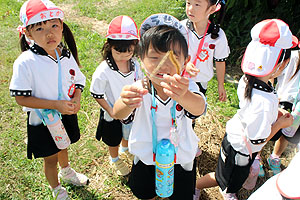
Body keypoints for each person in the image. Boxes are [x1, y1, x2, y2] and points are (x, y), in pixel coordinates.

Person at [193, 19, 298, 200]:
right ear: (280, 65)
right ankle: (195, 187)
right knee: (222, 178)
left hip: (237, 138)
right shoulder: (263, 103)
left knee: (229, 175)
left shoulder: (247, 81)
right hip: (241, 149)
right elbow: (260, 138)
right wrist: (281, 123)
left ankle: (228, 187)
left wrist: (275, 113)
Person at [113, 14, 207, 200]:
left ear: (185, 62)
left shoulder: (187, 87)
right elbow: (117, 113)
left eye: (172, 57)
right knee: (145, 193)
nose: (163, 65)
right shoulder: (138, 88)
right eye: (154, 57)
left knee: (181, 195)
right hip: (146, 156)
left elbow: (199, 108)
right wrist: (125, 101)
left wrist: (184, 96)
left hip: (181, 158)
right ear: (141, 60)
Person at [9, 0, 89, 199]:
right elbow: (21, 98)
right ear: (28, 33)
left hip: (65, 113)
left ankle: (67, 170)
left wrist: (76, 99)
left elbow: (78, 80)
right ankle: (56, 188)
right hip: (43, 121)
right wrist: (55, 105)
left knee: (64, 145)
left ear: (62, 26)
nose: (49, 33)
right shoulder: (26, 62)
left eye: (54, 25)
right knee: (50, 158)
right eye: (39, 28)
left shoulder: (65, 54)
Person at [90, 15, 140, 176]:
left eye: (129, 51)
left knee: (128, 131)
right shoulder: (104, 70)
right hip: (111, 112)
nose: (124, 55)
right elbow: (96, 93)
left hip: (130, 110)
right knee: (112, 138)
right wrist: (110, 110)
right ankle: (114, 158)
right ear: (109, 46)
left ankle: (125, 148)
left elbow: (139, 82)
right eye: (118, 51)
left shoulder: (135, 65)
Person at [259, 49, 300, 177]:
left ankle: (275, 157)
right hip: (285, 99)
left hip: (298, 106)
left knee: (289, 132)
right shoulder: (292, 56)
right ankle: (256, 156)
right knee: (268, 129)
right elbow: (274, 72)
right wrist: (273, 93)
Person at [181, 0, 229, 101]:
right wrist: (184, 65)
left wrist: (220, 84)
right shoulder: (180, 28)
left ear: (211, 9)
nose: (190, 9)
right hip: (179, 77)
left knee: (193, 111)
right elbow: (171, 53)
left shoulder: (218, 35)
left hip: (201, 81)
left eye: (197, 4)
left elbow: (220, 61)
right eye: (188, 3)